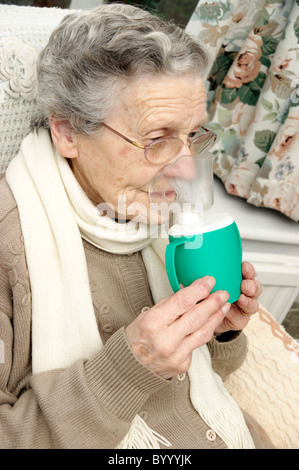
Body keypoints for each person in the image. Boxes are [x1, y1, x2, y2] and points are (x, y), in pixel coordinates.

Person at [0, 3, 273, 449]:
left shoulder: (156, 214)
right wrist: (129, 367)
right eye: (157, 140)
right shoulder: (10, 245)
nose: (188, 170)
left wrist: (218, 330)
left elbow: (192, 390)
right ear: (68, 132)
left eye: (193, 136)